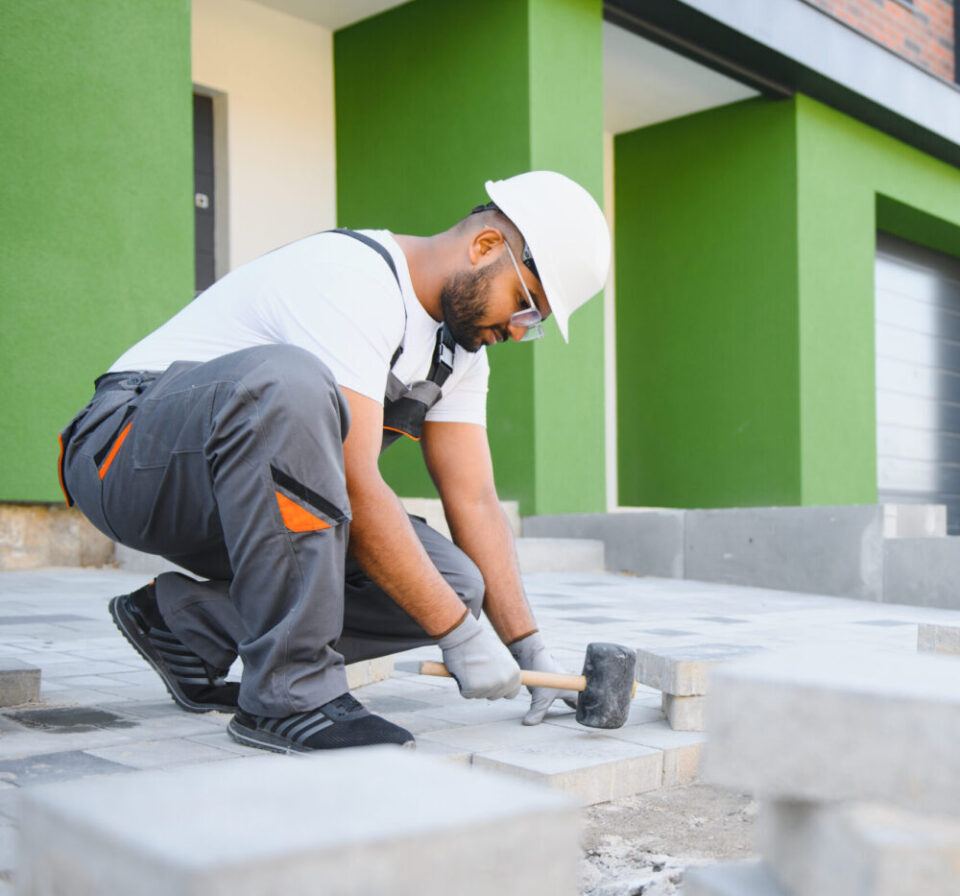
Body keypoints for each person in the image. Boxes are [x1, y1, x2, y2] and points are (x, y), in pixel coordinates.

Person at [57, 170, 611, 753]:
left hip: (239, 497)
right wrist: (456, 636)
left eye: (535, 325)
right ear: (486, 246)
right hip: (127, 455)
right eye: (525, 307)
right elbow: (354, 477)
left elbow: (473, 497)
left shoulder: (461, 353)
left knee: (454, 584)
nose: (517, 331)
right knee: (292, 383)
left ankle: (186, 622)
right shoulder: (353, 277)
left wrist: (524, 645)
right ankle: (289, 696)